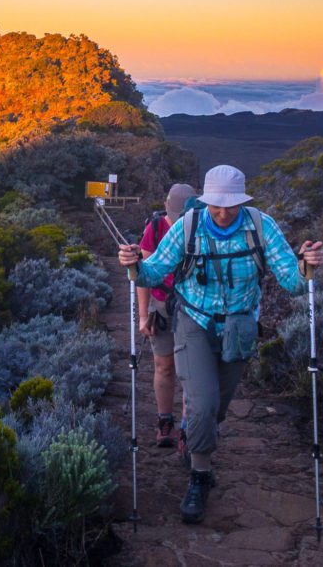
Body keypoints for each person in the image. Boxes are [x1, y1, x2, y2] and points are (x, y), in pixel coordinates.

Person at [118, 164, 323, 524]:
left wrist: (307, 266)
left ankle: (197, 439)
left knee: (215, 411)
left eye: (231, 204)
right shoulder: (188, 226)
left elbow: (292, 282)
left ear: (243, 201)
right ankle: (200, 475)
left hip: (240, 328)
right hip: (194, 323)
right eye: (217, 204)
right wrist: (134, 264)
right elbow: (153, 273)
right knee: (202, 404)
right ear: (205, 201)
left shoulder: (261, 226)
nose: (224, 212)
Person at [138, 184, 200, 453]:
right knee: (164, 366)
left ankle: (188, 427)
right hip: (162, 308)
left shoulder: (200, 227)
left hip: (194, 309)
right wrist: (143, 315)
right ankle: (165, 421)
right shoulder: (155, 229)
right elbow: (143, 275)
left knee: (191, 371)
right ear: (166, 206)